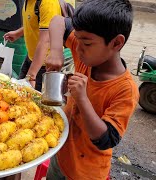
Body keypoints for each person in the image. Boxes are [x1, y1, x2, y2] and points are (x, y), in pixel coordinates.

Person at [45, 0, 139, 179]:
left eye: (86, 44)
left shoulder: (125, 90)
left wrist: (82, 99)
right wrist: (56, 50)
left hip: (86, 171)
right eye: (77, 40)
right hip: (61, 156)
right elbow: (58, 21)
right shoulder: (87, 56)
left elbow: (106, 139)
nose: (78, 48)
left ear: (116, 43)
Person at [3, 0, 61, 91]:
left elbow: (45, 41)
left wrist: (32, 75)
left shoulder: (48, 3)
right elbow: (35, 21)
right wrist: (18, 33)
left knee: (32, 101)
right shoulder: (29, 1)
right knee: (18, 94)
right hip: (31, 56)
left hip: (44, 65)